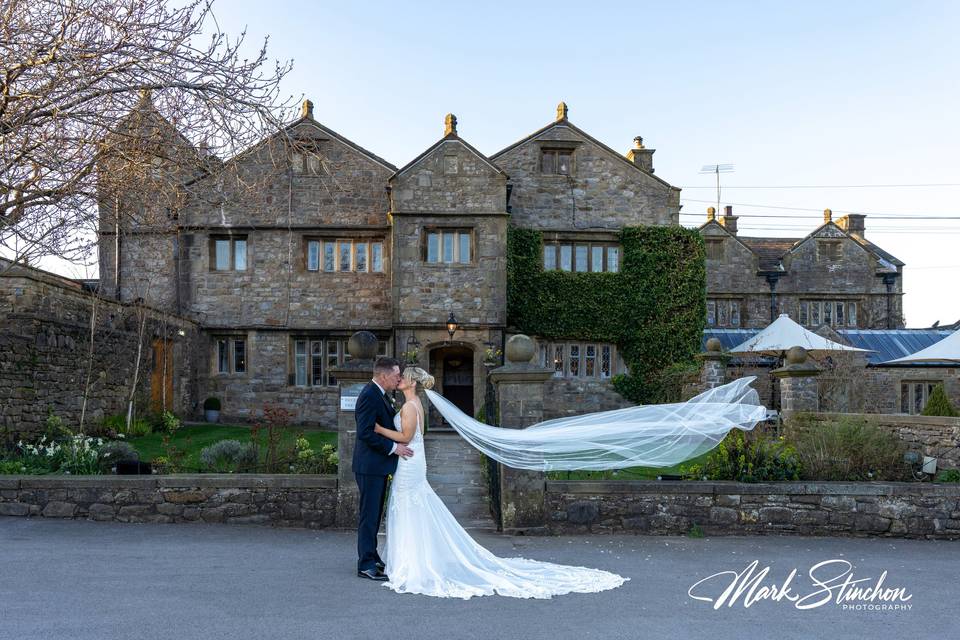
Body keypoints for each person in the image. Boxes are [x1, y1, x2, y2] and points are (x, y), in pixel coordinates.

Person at [369, 366, 628, 599]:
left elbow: (406, 435)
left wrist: (380, 430)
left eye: (403, 377)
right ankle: (412, 558)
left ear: (412, 383)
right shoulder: (412, 405)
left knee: (410, 507)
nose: (399, 379)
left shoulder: (409, 406)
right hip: (411, 461)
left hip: (410, 462)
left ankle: (413, 563)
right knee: (413, 508)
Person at [352, 357, 413, 582]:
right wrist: (393, 447)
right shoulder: (369, 395)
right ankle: (365, 564)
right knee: (369, 516)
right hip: (369, 466)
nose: (399, 379)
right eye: (396, 375)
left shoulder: (379, 394)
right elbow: (366, 433)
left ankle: (372, 555)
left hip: (376, 466)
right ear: (384, 375)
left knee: (375, 514)